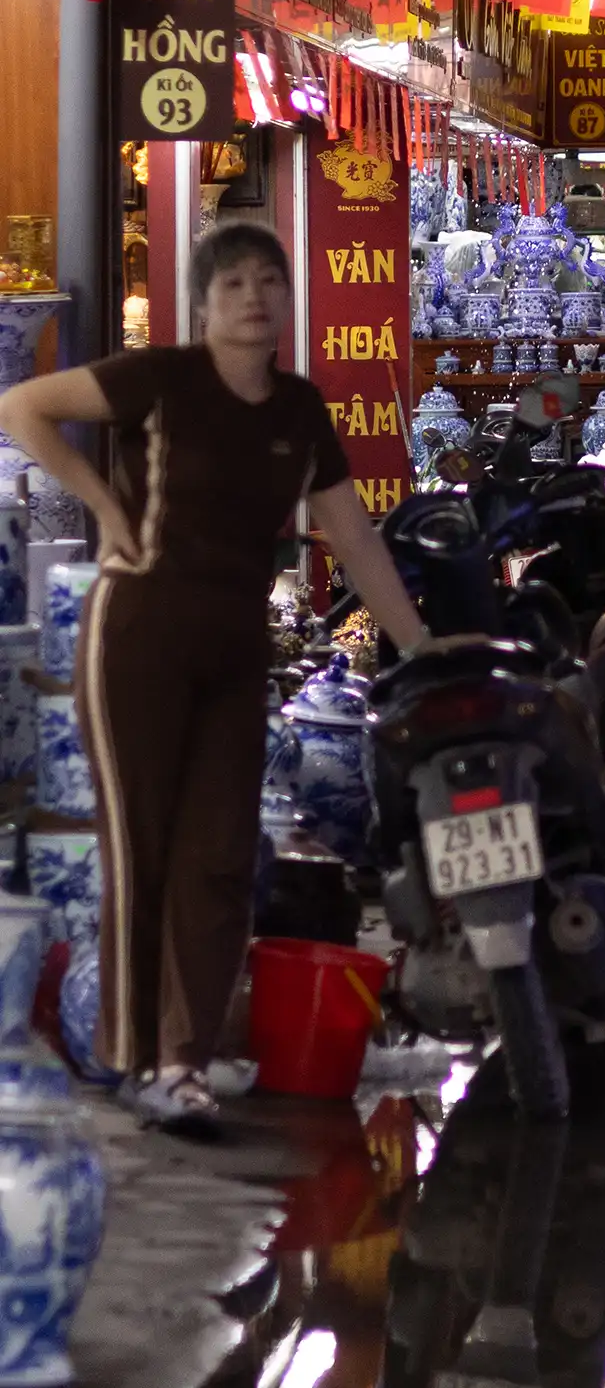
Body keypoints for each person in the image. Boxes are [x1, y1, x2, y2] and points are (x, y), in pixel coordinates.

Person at [0, 219, 425, 1127]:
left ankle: (183, 1060)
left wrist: (423, 648)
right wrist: (103, 502)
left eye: (268, 279)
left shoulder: (299, 411)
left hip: (237, 648)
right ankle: (137, 1055)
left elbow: (353, 541)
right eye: (232, 283)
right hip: (139, 636)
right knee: (142, 849)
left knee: (223, 856)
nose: (254, 296)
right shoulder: (160, 379)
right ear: (201, 303)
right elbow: (22, 406)